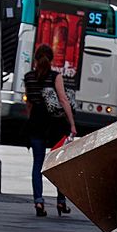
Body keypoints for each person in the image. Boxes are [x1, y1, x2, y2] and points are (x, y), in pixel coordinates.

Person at [24, 43, 76, 217]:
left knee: (37, 164)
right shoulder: (55, 76)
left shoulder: (28, 77)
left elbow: (29, 104)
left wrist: (29, 122)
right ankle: (61, 202)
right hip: (54, 124)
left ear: (36, 58)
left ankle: (38, 202)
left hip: (36, 123)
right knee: (59, 164)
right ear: (51, 58)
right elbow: (63, 100)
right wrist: (72, 124)